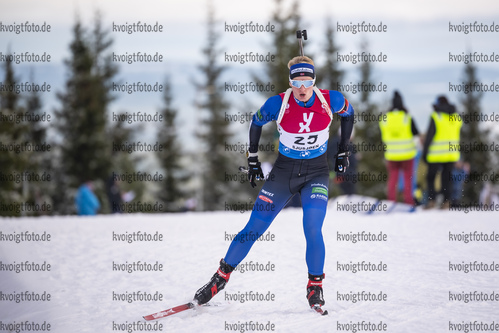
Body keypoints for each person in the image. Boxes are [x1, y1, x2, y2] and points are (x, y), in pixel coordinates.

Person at [193, 56, 354, 311]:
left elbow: (349, 114)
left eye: (307, 80)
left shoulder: (329, 99)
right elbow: (256, 122)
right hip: (283, 175)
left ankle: (315, 286)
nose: (302, 88)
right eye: (296, 81)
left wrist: (344, 151)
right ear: (290, 81)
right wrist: (253, 158)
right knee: (254, 227)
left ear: (314, 80)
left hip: (316, 174)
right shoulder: (277, 103)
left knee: (313, 227)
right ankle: (219, 279)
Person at [379, 91, 420, 205]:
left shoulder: (385, 118)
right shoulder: (407, 117)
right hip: (408, 154)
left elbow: (380, 135)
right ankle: (408, 202)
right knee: (408, 180)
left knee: (393, 179)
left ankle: (391, 201)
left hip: (391, 155)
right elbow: (416, 134)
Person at [422, 95, 462, 209]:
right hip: (451, 154)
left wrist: (425, 152)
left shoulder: (436, 116)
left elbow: (429, 136)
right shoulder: (456, 117)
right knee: (447, 178)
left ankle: (432, 201)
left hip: (436, 154)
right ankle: (446, 202)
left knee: (431, 178)